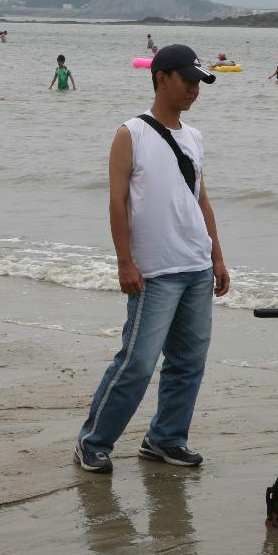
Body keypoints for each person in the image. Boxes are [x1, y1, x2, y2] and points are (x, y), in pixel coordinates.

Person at [74, 44, 230, 474]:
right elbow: (117, 203)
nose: (195, 90)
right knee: (138, 362)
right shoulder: (131, 133)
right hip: (155, 272)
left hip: (196, 266)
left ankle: (166, 439)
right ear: (162, 77)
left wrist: (218, 257)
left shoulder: (195, 137)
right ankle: (93, 441)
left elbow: (201, 199)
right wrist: (125, 262)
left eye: (199, 82)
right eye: (188, 80)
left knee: (189, 361)